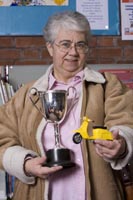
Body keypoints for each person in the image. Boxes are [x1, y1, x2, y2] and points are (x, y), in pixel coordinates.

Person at [0, 10, 133, 200]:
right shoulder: (27, 94)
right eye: (65, 44)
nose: (73, 52)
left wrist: (121, 145)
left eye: (80, 44)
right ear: (50, 48)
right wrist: (25, 163)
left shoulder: (107, 85)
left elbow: (125, 122)